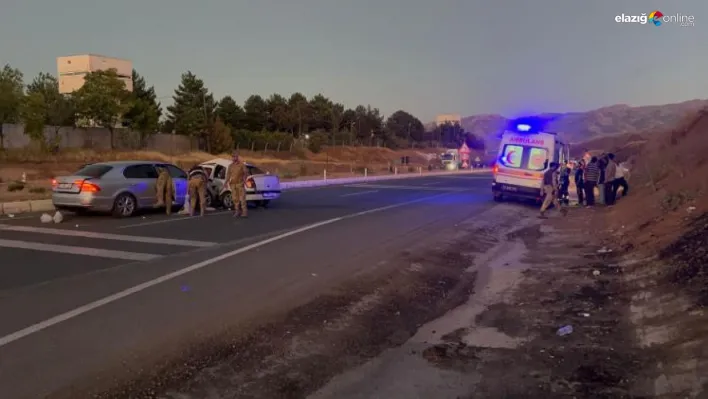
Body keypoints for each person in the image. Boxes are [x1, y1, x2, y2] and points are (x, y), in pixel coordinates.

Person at [226, 151, 249, 217]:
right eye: (233, 157)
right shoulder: (230, 166)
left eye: (235, 156)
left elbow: (246, 172)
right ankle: (237, 212)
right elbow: (228, 175)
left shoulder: (242, 165)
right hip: (233, 184)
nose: (234, 158)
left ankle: (244, 212)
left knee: (242, 199)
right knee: (235, 199)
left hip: (240, 184)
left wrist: (244, 179)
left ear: (237, 157)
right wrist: (226, 183)